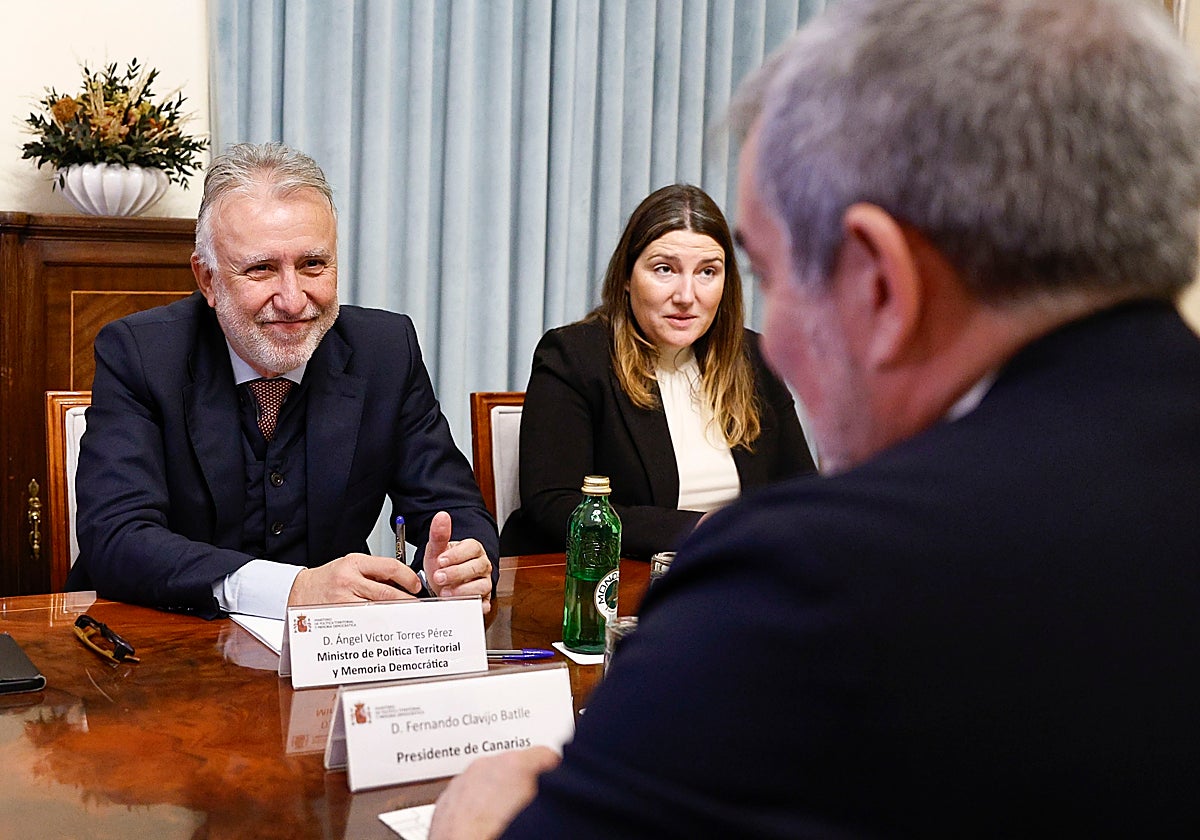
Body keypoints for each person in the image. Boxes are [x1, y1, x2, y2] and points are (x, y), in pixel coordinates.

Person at [430, 0, 1200, 836]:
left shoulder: (804, 588)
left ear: (879, 283)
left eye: (764, 272)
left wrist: (475, 824)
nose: (770, 335)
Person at [67, 142, 498, 620]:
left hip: (337, 653)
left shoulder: (385, 350)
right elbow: (118, 537)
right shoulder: (141, 354)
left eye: (313, 264)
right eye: (261, 269)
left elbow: (454, 507)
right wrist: (289, 588)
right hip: (160, 642)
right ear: (207, 279)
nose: (293, 301)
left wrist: (462, 566)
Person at [500, 184, 814, 558]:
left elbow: (802, 492)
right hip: (611, 585)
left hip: (736, 580)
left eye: (707, 272)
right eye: (664, 269)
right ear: (627, 278)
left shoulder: (756, 359)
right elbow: (554, 505)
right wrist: (698, 530)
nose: (686, 295)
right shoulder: (575, 356)